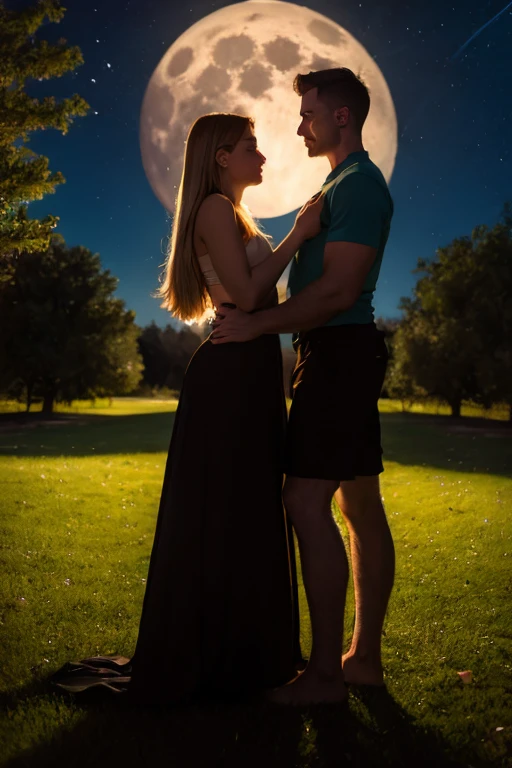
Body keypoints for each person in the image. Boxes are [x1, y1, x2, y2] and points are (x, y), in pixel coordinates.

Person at [49, 113, 324, 706]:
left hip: (249, 369)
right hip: (229, 375)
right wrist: (298, 236)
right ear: (221, 157)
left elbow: (255, 298)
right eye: (251, 145)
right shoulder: (213, 211)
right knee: (228, 506)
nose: (262, 154)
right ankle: (222, 653)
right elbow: (249, 296)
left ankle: (245, 648)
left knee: (245, 505)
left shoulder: (234, 213)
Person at [212, 69, 396, 705]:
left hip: (340, 354)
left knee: (304, 503)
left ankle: (324, 677)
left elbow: (339, 291)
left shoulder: (360, 184)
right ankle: (362, 662)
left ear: (341, 117)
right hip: (339, 351)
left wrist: (257, 323)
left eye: (309, 115)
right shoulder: (338, 184)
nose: (299, 127)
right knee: (358, 505)